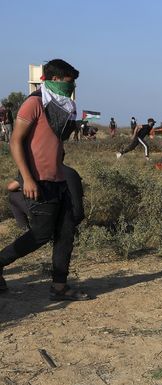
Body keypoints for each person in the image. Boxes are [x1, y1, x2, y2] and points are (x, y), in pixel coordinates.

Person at [0, 58, 89, 300]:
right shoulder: (33, 104)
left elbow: (57, 141)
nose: (71, 89)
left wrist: (74, 121)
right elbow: (15, 141)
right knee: (40, 234)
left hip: (58, 179)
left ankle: (59, 287)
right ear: (54, 80)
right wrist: (27, 179)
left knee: (66, 232)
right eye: (68, 83)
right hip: (38, 180)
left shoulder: (60, 106)